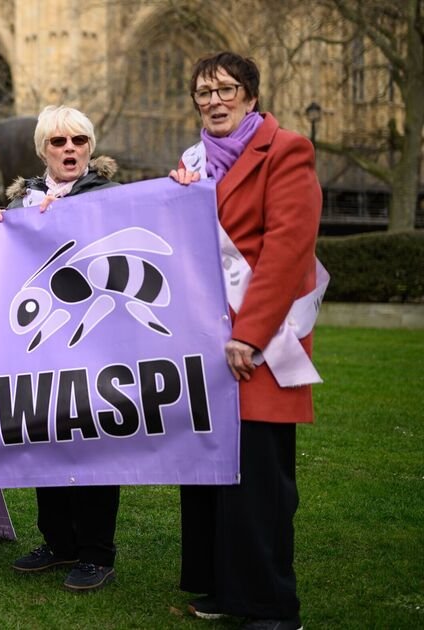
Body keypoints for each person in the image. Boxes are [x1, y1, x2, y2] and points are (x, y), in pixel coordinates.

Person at [169, 51, 322, 630]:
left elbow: (287, 250)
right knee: (210, 474)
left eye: (226, 89)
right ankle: (222, 588)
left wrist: (250, 335)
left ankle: (270, 606)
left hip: (260, 343)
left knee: (258, 483)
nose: (214, 101)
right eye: (204, 93)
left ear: (251, 96)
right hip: (204, 343)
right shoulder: (190, 165)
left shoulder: (286, 151)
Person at [0, 105, 122, 592]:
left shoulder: (110, 197)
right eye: (58, 142)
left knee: (93, 444)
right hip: (38, 346)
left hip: (93, 340)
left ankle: (96, 553)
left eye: (79, 141)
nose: (69, 149)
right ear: (43, 150)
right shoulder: (21, 203)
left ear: (90, 147)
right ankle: (59, 541)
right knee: (46, 440)